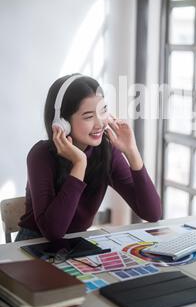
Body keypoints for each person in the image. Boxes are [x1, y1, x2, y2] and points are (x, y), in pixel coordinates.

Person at [16, 74, 162, 241]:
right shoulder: (41, 156)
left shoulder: (106, 152)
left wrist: (132, 151)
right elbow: (53, 232)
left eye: (103, 110)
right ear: (62, 122)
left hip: (76, 244)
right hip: (32, 245)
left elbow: (153, 213)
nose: (100, 123)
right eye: (88, 116)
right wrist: (79, 164)